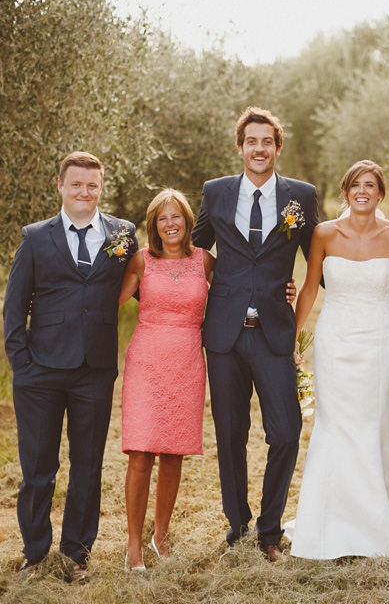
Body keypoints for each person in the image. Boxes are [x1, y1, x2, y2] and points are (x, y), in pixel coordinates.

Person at [117, 189, 298, 570]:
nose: (170, 224)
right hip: (147, 359)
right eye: (162, 218)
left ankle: (160, 536)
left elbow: (241, 286)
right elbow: (107, 302)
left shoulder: (205, 262)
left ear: (189, 222)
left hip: (187, 361)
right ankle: (134, 543)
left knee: (172, 453)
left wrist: (283, 288)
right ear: (153, 225)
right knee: (140, 452)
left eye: (177, 217)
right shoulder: (140, 261)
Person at [3, 151, 138, 582]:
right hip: (39, 370)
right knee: (38, 468)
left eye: (93, 185)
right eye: (76, 184)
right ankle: (35, 552)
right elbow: (13, 307)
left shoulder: (123, 234)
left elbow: (148, 281)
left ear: (102, 187)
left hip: (94, 370)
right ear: (60, 186)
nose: (85, 192)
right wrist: (21, 363)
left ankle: (77, 554)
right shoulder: (36, 237)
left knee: (88, 465)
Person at [192, 106, 320, 562]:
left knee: (285, 431)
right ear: (241, 146)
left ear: (278, 146)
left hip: (273, 332)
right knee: (230, 434)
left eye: (267, 141)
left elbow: (319, 259)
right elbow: (194, 248)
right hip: (224, 334)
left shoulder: (301, 197)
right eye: (252, 141)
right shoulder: (216, 192)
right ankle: (238, 525)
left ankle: (270, 529)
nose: (259, 149)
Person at [289, 160, 389, 559]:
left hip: (379, 343)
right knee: (334, 424)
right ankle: (326, 518)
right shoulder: (324, 234)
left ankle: (372, 521)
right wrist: (292, 337)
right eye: (355, 185)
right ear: (345, 192)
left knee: (372, 425)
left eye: (371, 185)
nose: (363, 191)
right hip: (335, 341)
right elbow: (310, 289)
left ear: (381, 193)